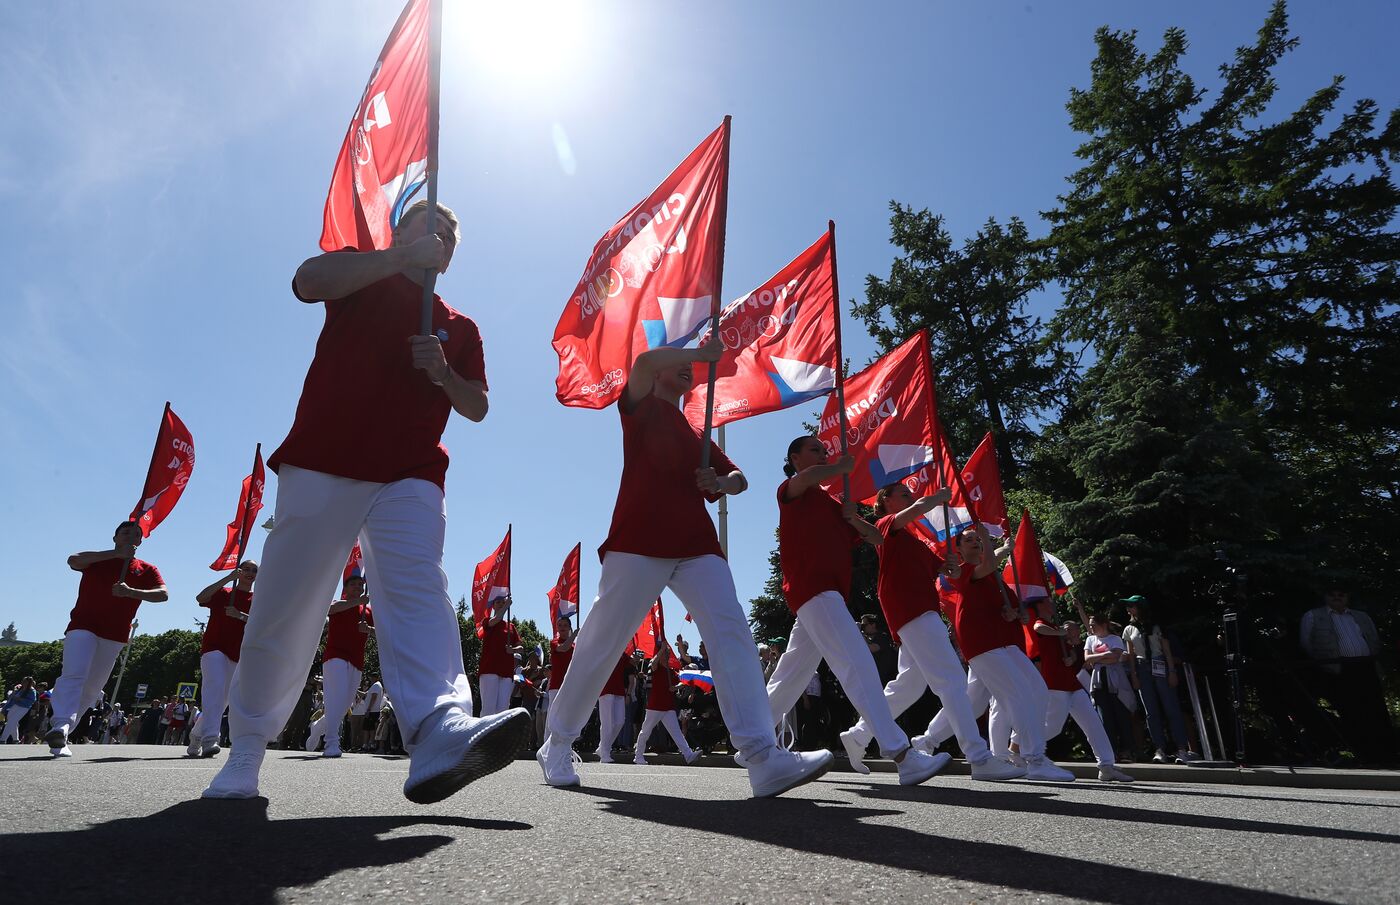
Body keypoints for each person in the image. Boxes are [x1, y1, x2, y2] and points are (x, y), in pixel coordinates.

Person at [203, 200, 530, 802]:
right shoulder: (362, 272)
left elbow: (477, 406)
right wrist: (400, 259)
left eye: (450, 234)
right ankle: (247, 747)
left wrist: (442, 375)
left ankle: (439, 726)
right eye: (427, 226)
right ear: (399, 233)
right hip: (325, 458)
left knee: (417, 584)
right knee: (287, 601)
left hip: (411, 470)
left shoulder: (461, 328)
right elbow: (307, 280)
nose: (441, 238)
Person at [537, 338, 833, 797]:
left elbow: (740, 479)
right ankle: (557, 743)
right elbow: (642, 362)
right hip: (637, 541)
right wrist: (698, 351)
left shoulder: (698, 436)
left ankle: (761, 756)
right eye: (677, 366)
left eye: (688, 369)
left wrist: (719, 481)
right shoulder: (639, 409)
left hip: (696, 545)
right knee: (603, 639)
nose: (685, 372)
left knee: (732, 630)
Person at [762, 437, 951, 786]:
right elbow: (804, 479)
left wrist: (853, 518)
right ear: (795, 457)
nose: (824, 453)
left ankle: (751, 737)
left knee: (793, 673)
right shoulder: (792, 489)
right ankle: (901, 754)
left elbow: (875, 539)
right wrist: (838, 468)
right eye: (815, 450)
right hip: (813, 588)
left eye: (824, 450)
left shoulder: (834, 502)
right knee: (858, 664)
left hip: (827, 593)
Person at [840, 482, 1024, 781]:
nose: (909, 496)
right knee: (951, 679)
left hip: (916, 611)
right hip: (912, 609)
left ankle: (860, 734)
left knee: (910, 685)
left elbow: (947, 572)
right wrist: (935, 499)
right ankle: (979, 757)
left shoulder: (914, 540)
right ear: (885, 500)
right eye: (903, 493)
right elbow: (913, 511)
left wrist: (949, 566)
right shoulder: (886, 524)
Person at [946, 523, 1075, 782]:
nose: (975, 542)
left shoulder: (995, 578)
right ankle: (1034, 758)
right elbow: (987, 566)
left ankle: (1021, 753)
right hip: (982, 643)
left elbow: (1019, 613)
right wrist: (997, 543)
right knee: (1015, 695)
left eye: (977, 539)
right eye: (969, 539)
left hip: (1005, 643)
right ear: (958, 548)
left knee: (1037, 690)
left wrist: (1015, 613)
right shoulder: (960, 570)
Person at [49, 521, 168, 756]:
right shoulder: (97, 560)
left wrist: (131, 592)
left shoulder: (146, 569)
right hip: (83, 625)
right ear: (115, 537)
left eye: (136, 534)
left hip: (114, 634)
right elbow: (74, 559)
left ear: (141, 541)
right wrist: (115, 554)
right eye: (125, 533)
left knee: (93, 687)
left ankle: (63, 732)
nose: (130, 536)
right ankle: (60, 724)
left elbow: (162, 594)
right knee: (74, 673)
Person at [1026, 600, 1134, 782]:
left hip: (1073, 685)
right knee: (1052, 727)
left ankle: (1106, 766)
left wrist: (1072, 655)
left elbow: (1074, 655)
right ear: (1041, 607)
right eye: (1047, 602)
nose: (1051, 604)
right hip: (1055, 685)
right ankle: (1021, 748)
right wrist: (1060, 632)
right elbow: (1038, 629)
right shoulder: (1043, 623)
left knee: (1094, 724)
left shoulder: (1057, 628)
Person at [1300, 587, 1395, 765]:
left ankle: (1388, 754)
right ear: (1325, 596)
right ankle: (1363, 755)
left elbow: (1373, 638)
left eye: (1341, 594)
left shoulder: (1360, 616)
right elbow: (1307, 643)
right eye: (1332, 594)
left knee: (1377, 711)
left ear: (1347, 597)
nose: (1337, 597)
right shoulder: (1314, 616)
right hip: (1338, 670)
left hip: (1366, 667)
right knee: (1352, 712)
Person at [187, 560, 258, 757]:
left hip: (238, 654)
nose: (250, 573)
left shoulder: (258, 599)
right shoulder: (225, 592)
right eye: (246, 569)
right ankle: (211, 738)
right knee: (215, 688)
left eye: (254, 570)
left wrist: (240, 615)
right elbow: (200, 597)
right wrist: (228, 578)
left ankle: (196, 734)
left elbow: (261, 625)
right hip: (214, 648)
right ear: (239, 571)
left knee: (222, 701)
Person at [1119, 596, 1196, 764]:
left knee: (1171, 707)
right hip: (1141, 667)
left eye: (1131, 606)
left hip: (1159, 663)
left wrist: (1172, 671)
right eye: (1127, 606)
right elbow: (1131, 654)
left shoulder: (1157, 626)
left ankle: (1181, 748)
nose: (1128, 609)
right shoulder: (1129, 629)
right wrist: (1134, 675)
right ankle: (1159, 749)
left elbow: (1166, 650)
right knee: (1150, 711)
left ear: (1141, 607)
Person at [306, 576, 374, 757]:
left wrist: (368, 630)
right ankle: (331, 743)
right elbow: (329, 609)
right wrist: (358, 601)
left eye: (361, 585)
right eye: (354, 584)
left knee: (344, 705)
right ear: (346, 588)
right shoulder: (339, 604)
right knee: (336, 698)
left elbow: (379, 632)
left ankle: (319, 725)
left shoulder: (367, 611)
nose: (358, 587)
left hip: (357, 660)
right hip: (335, 656)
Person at [1084, 612, 1135, 762]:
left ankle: (1127, 750)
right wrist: (1106, 655)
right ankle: (1110, 751)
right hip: (1099, 681)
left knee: (1121, 715)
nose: (1091, 628)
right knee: (1104, 718)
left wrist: (1098, 658)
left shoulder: (1115, 639)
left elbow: (1116, 657)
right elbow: (1087, 659)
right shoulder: (1090, 639)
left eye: (1094, 625)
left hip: (1115, 680)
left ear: (1103, 624)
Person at [634, 646, 697, 764]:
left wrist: (676, 687)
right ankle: (638, 756)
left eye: (668, 654)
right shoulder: (656, 668)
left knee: (676, 733)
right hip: (655, 707)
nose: (667, 656)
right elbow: (653, 663)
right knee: (645, 732)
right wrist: (662, 649)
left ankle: (688, 755)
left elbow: (681, 682)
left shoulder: (671, 671)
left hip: (668, 707)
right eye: (665, 654)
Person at [478, 598, 522, 717]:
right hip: (489, 669)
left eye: (503, 602)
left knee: (503, 710)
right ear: (492, 606)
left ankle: (500, 735)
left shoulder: (511, 626)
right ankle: (484, 734)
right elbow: (496, 619)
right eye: (498, 602)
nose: (501, 604)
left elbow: (521, 648)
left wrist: (512, 650)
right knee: (488, 709)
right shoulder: (487, 621)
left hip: (506, 672)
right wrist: (506, 606)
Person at [594, 652, 635, 762]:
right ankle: (605, 754)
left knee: (620, 722)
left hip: (619, 690)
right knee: (607, 723)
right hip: (606, 689)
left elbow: (632, 661)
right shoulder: (607, 647)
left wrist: (635, 658)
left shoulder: (622, 653)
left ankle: (602, 747)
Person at [2, 677, 37, 743]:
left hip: (24, 708)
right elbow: (12, 698)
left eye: (26, 682)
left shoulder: (32, 690)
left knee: (11, 722)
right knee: (13, 722)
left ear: (29, 683)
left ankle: (2, 739)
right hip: (14, 706)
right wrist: (14, 691)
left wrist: (20, 699)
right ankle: (16, 739)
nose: (23, 683)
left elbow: (32, 701)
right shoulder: (20, 688)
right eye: (23, 681)